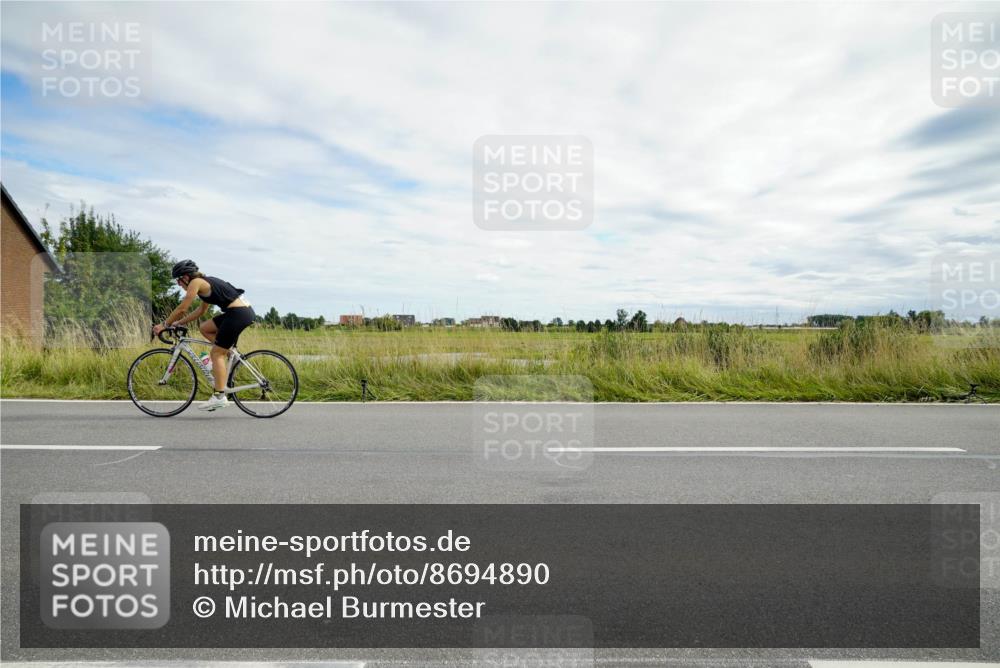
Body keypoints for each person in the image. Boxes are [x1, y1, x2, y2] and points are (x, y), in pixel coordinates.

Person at [153, 260, 255, 412]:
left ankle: (219, 397)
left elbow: (183, 308)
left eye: (179, 281)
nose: (179, 284)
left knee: (216, 354)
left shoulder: (196, 282)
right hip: (238, 312)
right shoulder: (204, 283)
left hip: (237, 314)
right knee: (205, 328)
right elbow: (201, 311)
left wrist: (164, 324)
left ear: (186, 277)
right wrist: (179, 323)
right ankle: (226, 351)